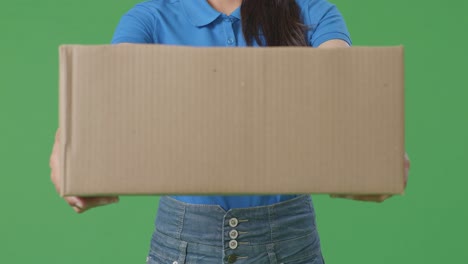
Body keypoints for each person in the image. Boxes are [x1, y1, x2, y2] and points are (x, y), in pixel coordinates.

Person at [50, 0, 411, 263]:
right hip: (183, 242)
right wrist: (70, 148)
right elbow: (110, 97)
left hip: (287, 240)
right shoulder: (151, 17)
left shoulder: (311, 11)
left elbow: (342, 86)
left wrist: (376, 143)